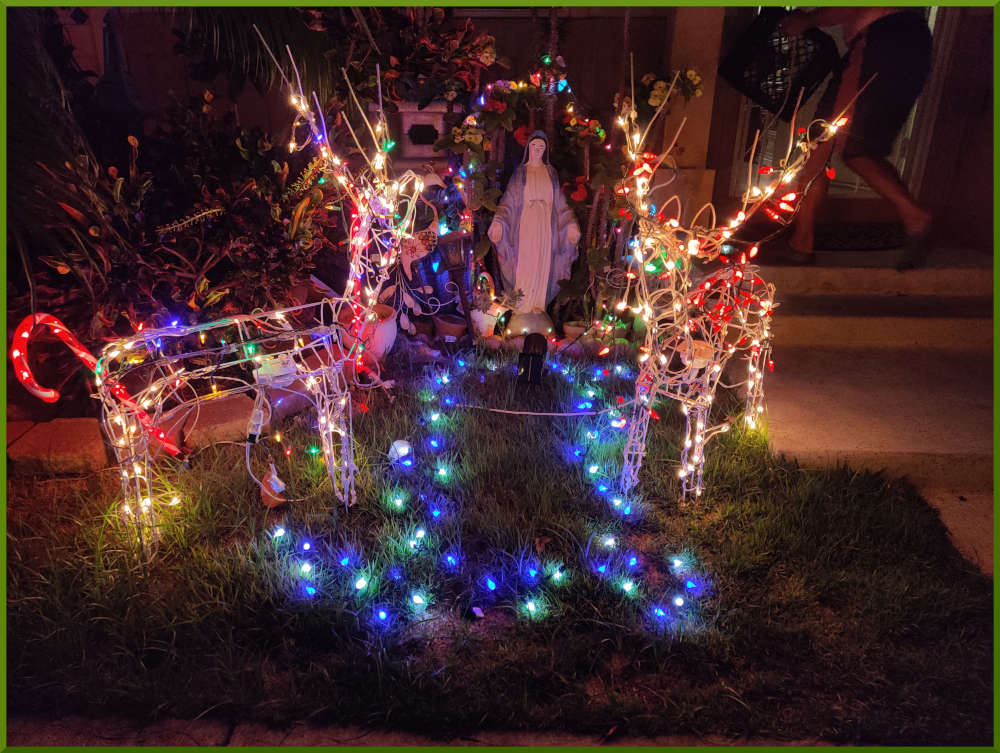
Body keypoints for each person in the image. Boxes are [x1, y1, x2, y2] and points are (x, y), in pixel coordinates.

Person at [772, 8, 934, 269]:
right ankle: (914, 216)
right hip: (906, 46)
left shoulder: (884, 34)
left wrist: (808, 20)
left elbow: (852, 5)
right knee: (859, 147)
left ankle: (802, 243)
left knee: (822, 141)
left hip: (881, 43)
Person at [488, 131, 581, 335]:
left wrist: (570, 224)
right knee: (526, 264)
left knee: (542, 264)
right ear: (528, 148)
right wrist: (499, 222)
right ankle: (522, 308)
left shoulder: (551, 173)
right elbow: (509, 201)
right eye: (535, 146)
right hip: (526, 226)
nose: (538, 150)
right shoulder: (521, 173)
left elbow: (560, 204)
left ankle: (538, 305)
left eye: (541, 147)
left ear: (545, 150)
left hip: (546, 227)